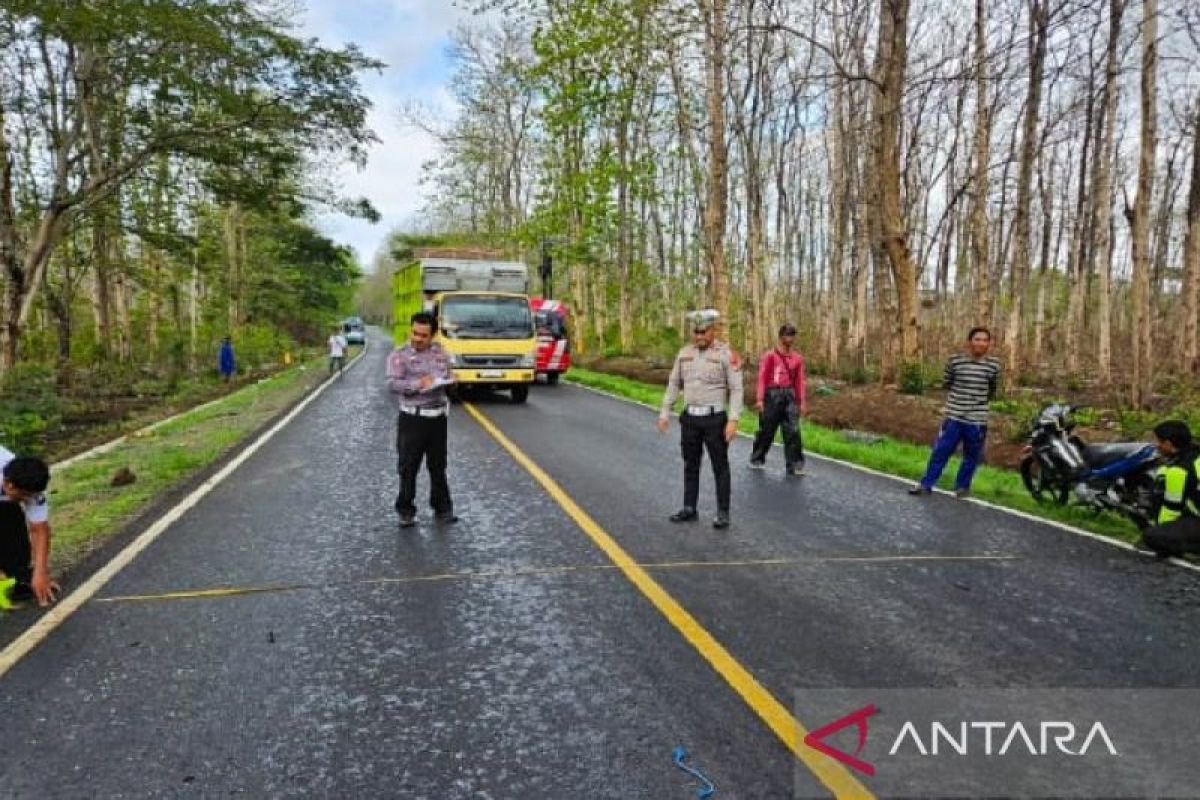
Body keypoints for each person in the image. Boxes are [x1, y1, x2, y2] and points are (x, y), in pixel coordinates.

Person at [657, 309, 744, 529]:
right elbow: (674, 383)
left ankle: (723, 512)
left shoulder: (726, 354)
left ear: (713, 331)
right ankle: (689, 507)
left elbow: (736, 389)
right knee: (690, 464)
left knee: (720, 466)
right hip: (690, 418)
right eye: (696, 332)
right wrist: (665, 411)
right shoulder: (684, 353)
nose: (699, 336)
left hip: (714, 419)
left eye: (703, 332)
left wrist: (733, 419)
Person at [909, 327, 1002, 498]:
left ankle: (962, 487)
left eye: (984, 340)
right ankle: (926, 484)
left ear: (989, 343)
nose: (981, 343)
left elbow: (992, 388)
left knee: (972, 455)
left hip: (977, 420)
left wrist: (977, 403)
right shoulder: (955, 361)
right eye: (977, 339)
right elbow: (948, 382)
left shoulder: (993, 365)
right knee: (940, 451)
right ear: (969, 342)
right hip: (954, 416)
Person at [387, 311, 457, 529]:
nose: (418, 338)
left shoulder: (441, 353)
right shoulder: (399, 355)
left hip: (437, 419)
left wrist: (452, 382)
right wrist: (418, 384)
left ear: (432, 335)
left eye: (423, 335)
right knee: (408, 466)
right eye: (415, 333)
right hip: (412, 419)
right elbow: (391, 384)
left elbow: (447, 376)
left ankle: (442, 509)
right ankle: (405, 511)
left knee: (438, 466)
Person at [0, 446, 59, 610]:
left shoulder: (31, 487)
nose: (29, 500)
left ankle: (19, 577)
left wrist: (40, 572)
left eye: (32, 496)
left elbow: (39, 530)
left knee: (10, 513)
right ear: (9, 485)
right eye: (24, 495)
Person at [749, 323, 808, 476]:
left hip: (789, 395)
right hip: (772, 395)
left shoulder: (797, 359)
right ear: (781, 337)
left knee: (793, 431)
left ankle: (794, 464)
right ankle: (757, 457)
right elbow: (762, 378)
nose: (791, 338)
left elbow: (800, 381)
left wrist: (801, 402)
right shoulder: (769, 356)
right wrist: (760, 399)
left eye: (793, 335)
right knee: (767, 430)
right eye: (788, 335)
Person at [1139, 420, 1200, 559]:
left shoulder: (1178, 471)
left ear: (1168, 444)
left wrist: (1160, 530)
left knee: (1152, 536)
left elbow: (1172, 509)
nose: (1157, 446)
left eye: (1159, 442)